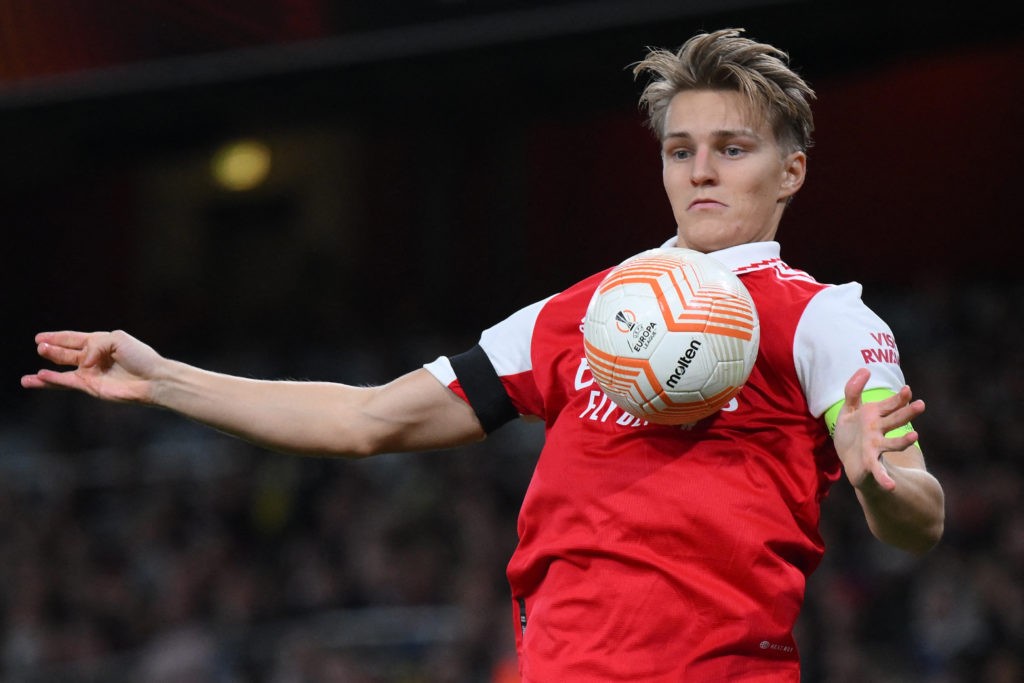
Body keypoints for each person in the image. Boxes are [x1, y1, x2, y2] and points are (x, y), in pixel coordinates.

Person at [23, 28, 944, 682]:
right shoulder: (581, 315)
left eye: (732, 148)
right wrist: (163, 379)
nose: (700, 170)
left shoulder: (823, 319)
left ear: (790, 171)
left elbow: (918, 517)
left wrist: (880, 483)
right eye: (680, 149)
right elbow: (365, 418)